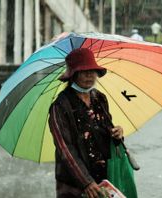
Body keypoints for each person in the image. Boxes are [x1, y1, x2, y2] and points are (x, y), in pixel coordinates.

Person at [48, 48, 124, 198]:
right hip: (74, 185)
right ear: (73, 75)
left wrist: (117, 134)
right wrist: (86, 182)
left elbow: (106, 129)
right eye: (84, 71)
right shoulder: (60, 106)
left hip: (102, 179)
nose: (90, 75)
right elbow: (65, 149)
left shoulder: (99, 99)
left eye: (93, 70)